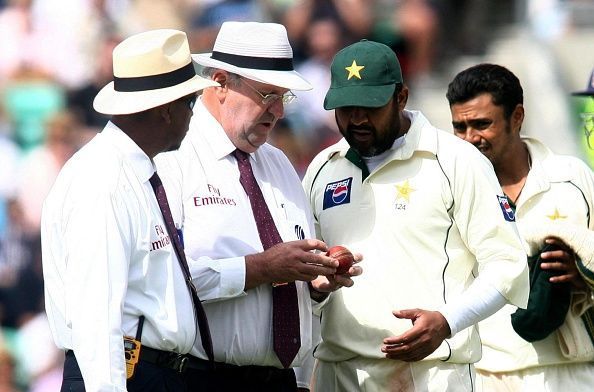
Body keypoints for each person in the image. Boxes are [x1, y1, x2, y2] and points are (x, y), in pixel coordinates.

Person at [302, 40, 529, 391]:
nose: (357, 119)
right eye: (346, 108)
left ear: (401, 98)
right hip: (340, 372)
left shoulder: (455, 160)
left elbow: (507, 263)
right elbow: (305, 270)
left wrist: (447, 322)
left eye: (370, 106)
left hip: (432, 374)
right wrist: (316, 291)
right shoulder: (322, 168)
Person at [154, 21, 360, 392]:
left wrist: (313, 284)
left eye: (284, 96)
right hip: (199, 379)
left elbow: (289, 288)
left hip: (279, 381)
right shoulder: (172, 159)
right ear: (219, 82)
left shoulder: (279, 164)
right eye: (267, 94)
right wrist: (262, 268)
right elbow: (164, 283)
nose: (279, 111)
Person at [41, 29, 219, 391]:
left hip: (146, 373)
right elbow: (95, 315)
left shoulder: (131, 172)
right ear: (167, 111)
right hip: (124, 375)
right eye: (191, 104)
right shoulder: (104, 181)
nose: (194, 116)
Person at [446, 63, 594, 391]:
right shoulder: (445, 188)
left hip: (570, 371)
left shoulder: (572, 177)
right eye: (460, 127)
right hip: (484, 372)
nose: (470, 138)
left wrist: (581, 271)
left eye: (482, 124)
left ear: (517, 117)